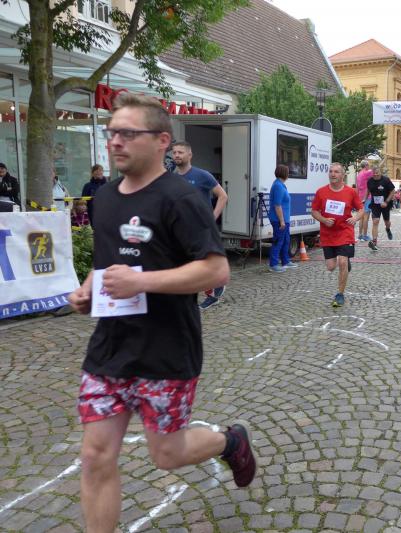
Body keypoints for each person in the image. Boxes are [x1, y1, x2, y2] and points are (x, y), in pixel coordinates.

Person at [67, 93, 256, 533]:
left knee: (166, 455)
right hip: (110, 348)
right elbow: (107, 261)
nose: (116, 141)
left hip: (167, 349)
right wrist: (88, 289)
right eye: (112, 132)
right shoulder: (106, 198)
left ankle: (230, 441)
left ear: (161, 141)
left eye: (128, 133)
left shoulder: (181, 198)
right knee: (95, 455)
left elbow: (216, 270)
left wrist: (142, 283)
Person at [172, 140, 230, 309]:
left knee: (202, 264)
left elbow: (223, 196)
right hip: (182, 229)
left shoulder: (202, 175)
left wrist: (212, 217)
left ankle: (213, 292)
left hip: (202, 228)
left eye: (180, 152)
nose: (176, 155)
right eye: (174, 152)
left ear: (189, 155)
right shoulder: (173, 178)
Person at [311, 163, 363, 307]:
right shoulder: (321, 192)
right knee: (330, 267)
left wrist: (355, 218)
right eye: (331, 171)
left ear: (343, 175)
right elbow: (314, 211)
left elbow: (361, 209)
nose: (333, 174)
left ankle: (340, 294)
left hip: (345, 232)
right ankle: (344, 261)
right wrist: (323, 220)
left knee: (342, 262)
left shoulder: (350, 192)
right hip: (328, 234)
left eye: (336, 172)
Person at [267, 164, 297, 272]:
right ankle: (273, 264)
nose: (288, 174)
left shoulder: (281, 185)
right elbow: (277, 205)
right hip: (278, 220)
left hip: (284, 219)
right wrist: (282, 221)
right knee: (278, 241)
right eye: (288, 172)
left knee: (286, 240)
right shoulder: (278, 186)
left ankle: (285, 261)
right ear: (285, 173)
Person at [367, 170, 396, 251]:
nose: (376, 175)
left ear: (380, 173)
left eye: (377, 173)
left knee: (387, 222)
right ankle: (374, 241)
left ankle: (388, 229)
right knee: (375, 221)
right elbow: (368, 190)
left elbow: (393, 191)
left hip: (385, 204)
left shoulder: (386, 180)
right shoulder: (370, 181)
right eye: (374, 173)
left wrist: (386, 201)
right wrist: (364, 199)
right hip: (375, 205)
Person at [355, 161, 373, 241]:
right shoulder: (366, 173)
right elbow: (376, 168)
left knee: (361, 217)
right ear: (366, 165)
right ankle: (365, 235)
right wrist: (384, 159)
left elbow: (357, 187)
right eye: (368, 165)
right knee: (366, 217)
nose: (369, 167)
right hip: (367, 197)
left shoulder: (359, 174)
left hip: (360, 197)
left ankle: (360, 235)